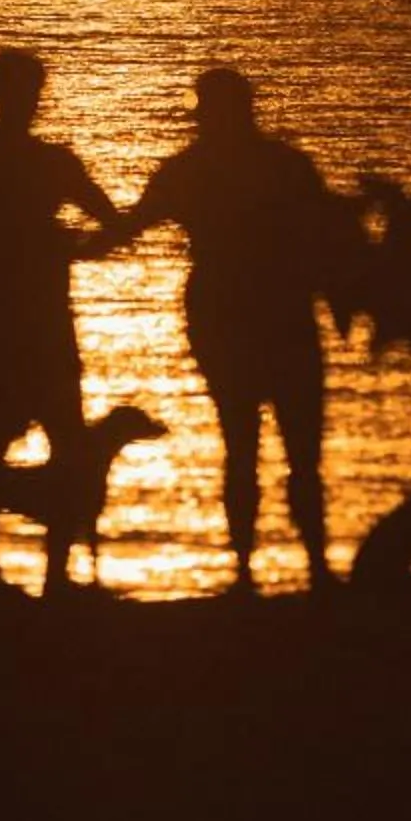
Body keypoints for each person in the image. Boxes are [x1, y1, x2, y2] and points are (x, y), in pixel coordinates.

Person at [114, 65, 338, 592]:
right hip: (276, 313)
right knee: (295, 451)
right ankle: (314, 570)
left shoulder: (188, 170)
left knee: (243, 444)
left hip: (226, 311)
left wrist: (58, 245)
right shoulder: (286, 165)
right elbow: (329, 243)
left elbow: (126, 227)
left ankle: (250, 571)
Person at [0, 48, 121, 583]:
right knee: (62, 444)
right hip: (34, 319)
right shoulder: (49, 163)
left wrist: (56, 245)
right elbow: (115, 227)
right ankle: (44, 573)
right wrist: (62, 244)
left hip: (12, 318)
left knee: (9, 443)